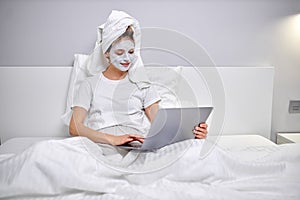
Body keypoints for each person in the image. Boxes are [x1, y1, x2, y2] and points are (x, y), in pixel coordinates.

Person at [69, 10, 208, 147]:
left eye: (131, 52)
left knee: (195, 153)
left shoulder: (142, 84)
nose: (127, 58)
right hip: (101, 145)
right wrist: (112, 139)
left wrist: (193, 133)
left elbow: (161, 124)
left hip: (137, 145)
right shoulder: (90, 84)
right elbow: (75, 127)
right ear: (106, 53)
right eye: (119, 52)